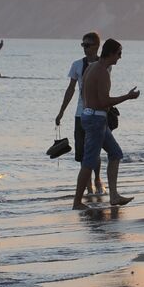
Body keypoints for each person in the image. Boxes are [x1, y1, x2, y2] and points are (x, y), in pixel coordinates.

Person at [75, 39, 139, 210]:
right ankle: (77, 203)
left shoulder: (91, 67)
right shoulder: (102, 71)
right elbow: (104, 101)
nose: (120, 57)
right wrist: (127, 96)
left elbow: (84, 94)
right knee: (89, 162)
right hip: (95, 119)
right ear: (110, 53)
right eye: (119, 53)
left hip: (91, 116)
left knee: (116, 153)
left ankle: (114, 196)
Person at [56, 32, 104, 204]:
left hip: (98, 113)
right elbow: (70, 89)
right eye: (82, 45)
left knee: (95, 150)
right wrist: (61, 111)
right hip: (80, 114)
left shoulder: (103, 64)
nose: (85, 48)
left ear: (97, 46)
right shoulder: (77, 65)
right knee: (82, 151)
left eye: (88, 45)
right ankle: (88, 182)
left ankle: (97, 178)